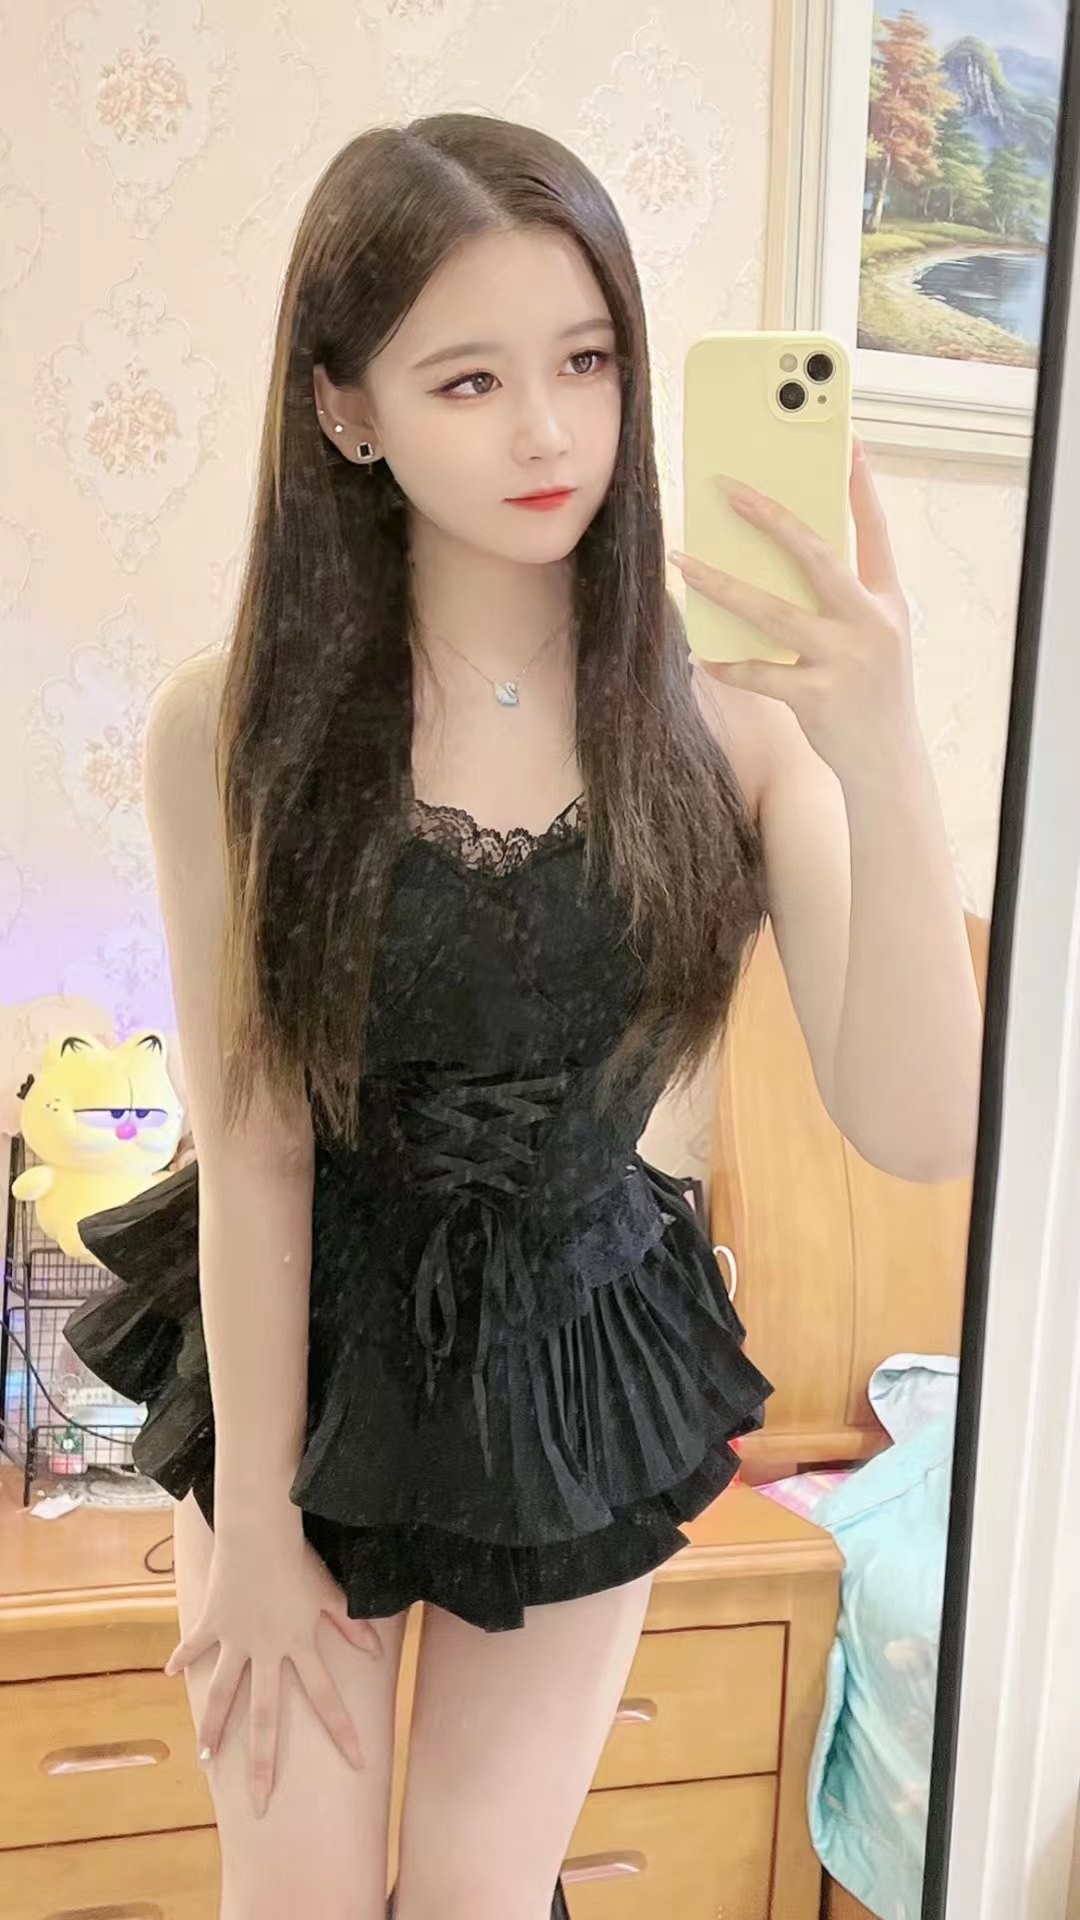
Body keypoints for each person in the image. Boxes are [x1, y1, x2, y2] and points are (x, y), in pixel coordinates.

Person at [66, 112, 983, 1920]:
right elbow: (252, 1144)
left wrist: (882, 745)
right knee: (297, 1896)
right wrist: (257, 1536)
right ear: (348, 408)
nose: (550, 431)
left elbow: (923, 1125)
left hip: (575, 1345)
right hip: (301, 1350)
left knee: (479, 1897)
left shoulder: (736, 728)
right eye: (470, 379)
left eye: (587, 360)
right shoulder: (229, 729)